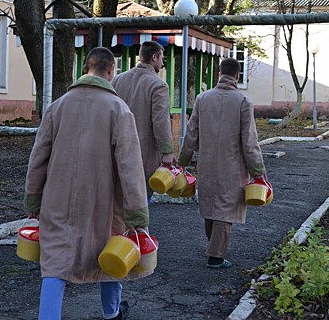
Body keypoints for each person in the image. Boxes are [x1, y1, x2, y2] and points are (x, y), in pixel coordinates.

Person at [24, 47, 150, 320]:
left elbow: (38, 159)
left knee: (55, 263)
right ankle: (112, 313)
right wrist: (137, 213)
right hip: (103, 200)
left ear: (84, 70)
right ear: (110, 72)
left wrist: (33, 200)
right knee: (111, 252)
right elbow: (130, 167)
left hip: (57, 199)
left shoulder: (57, 107)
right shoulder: (119, 109)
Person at [177, 57, 267, 269]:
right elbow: (249, 141)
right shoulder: (244, 101)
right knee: (225, 210)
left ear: (219, 74)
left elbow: (191, 133)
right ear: (237, 76)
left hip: (206, 163)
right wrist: (258, 171)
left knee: (211, 207)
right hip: (233, 166)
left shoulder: (202, 98)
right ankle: (216, 256)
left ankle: (213, 248)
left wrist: (182, 162)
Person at [112, 41, 176, 204]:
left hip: (116, 149)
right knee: (139, 202)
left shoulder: (118, 80)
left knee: (116, 204)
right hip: (142, 152)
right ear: (154, 57)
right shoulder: (158, 85)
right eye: (162, 58)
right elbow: (160, 122)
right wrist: (167, 151)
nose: (163, 62)